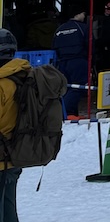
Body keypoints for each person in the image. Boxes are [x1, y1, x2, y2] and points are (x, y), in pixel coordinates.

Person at [0, 28, 29, 219]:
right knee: (9, 211)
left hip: (1, 157)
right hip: (14, 154)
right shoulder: (22, 76)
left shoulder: (2, 83)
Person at [53, 6, 90, 120]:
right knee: (79, 87)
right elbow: (90, 45)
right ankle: (66, 112)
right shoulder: (83, 28)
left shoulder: (59, 29)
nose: (84, 16)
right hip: (78, 60)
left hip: (62, 62)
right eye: (83, 14)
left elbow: (53, 46)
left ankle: (71, 113)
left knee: (67, 87)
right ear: (77, 14)